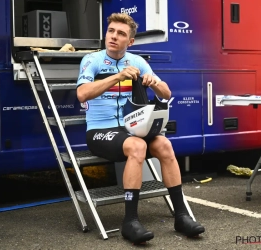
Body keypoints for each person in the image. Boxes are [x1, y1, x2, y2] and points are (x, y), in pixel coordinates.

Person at [76, 13, 205, 244]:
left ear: (131, 41)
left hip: (132, 129)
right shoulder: (91, 60)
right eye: (111, 31)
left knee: (164, 144)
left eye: (121, 34)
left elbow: (167, 93)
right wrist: (117, 76)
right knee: (136, 146)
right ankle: (130, 221)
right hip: (99, 131)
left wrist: (155, 83)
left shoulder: (137, 61)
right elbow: (82, 94)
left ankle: (182, 215)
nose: (114, 36)